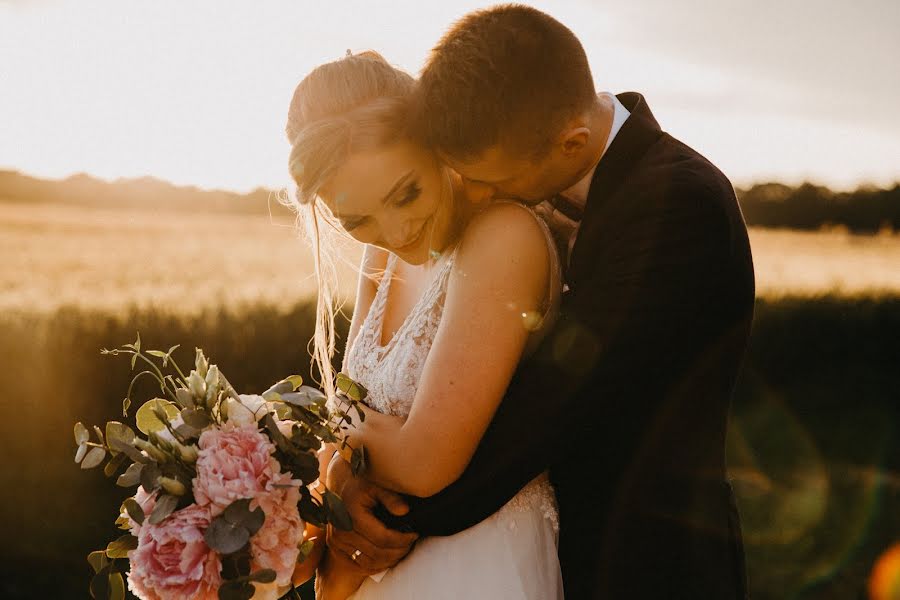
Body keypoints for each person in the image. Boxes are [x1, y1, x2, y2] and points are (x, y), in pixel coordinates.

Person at [326, 5, 756, 599]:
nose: (472, 197)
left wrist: (371, 528)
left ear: (571, 142)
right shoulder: (534, 177)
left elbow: (543, 417)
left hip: (645, 564)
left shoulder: (680, 206)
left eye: (489, 182)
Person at [285, 51, 565, 598]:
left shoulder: (503, 237)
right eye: (357, 220)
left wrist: (343, 446)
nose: (394, 230)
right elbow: (343, 420)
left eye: (405, 192)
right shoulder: (382, 259)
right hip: (383, 576)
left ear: (434, 144)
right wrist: (340, 471)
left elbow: (427, 460)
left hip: (479, 568)